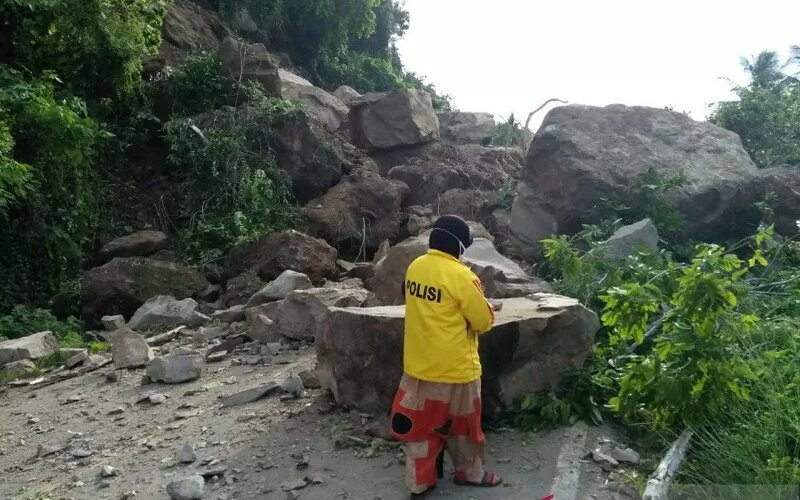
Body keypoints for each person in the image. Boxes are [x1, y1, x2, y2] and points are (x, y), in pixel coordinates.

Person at [388, 215, 503, 498]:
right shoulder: (463, 276)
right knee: (464, 429)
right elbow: (483, 322)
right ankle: (470, 473)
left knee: (420, 430)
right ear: (458, 246)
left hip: (417, 371)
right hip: (456, 373)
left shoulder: (416, 267)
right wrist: (487, 307)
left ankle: (419, 481)